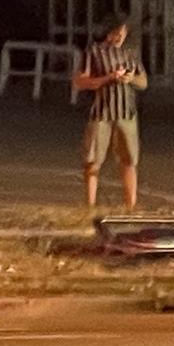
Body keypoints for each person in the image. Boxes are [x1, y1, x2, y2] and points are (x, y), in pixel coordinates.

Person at [74, 15, 148, 211]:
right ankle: (90, 206)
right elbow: (80, 81)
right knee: (93, 161)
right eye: (116, 33)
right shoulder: (94, 53)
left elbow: (143, 82)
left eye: (123, 33)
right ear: (108, 33)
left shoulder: (130, 53)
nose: (120, 36)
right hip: (102, 112)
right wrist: (107, 78)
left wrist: (130, 79)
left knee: (129, 160)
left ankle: (130, 205)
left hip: (127, 113)